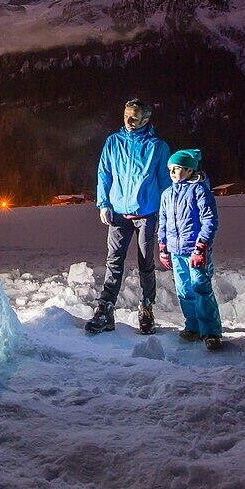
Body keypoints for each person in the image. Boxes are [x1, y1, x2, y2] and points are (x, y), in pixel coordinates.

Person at [84, 98, 170, 335]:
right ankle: (105, 309)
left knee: (146, 263)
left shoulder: (157, 147)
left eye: (134, 117)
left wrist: (165, 213)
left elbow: (164, 182)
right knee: (114, 262)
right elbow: (104, 173)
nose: (129, 121)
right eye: (126, 116)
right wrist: (103, 204)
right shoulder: (113, 142)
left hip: (147, 213)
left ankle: (147, 308)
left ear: (146, 119)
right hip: (118, 213)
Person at [157, 148, 223, 350]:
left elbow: (209, 219)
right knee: (184, 290)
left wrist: (202, 245)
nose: (173, 174)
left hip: (195, 251)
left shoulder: (199, 191)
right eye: (170, 170)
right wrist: (163, 245)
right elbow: (164, 220)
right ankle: (193, 326)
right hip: (176, 251)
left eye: (176, 169)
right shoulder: (167, 194)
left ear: (189, 170)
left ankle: (211, 332)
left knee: (201, 288)